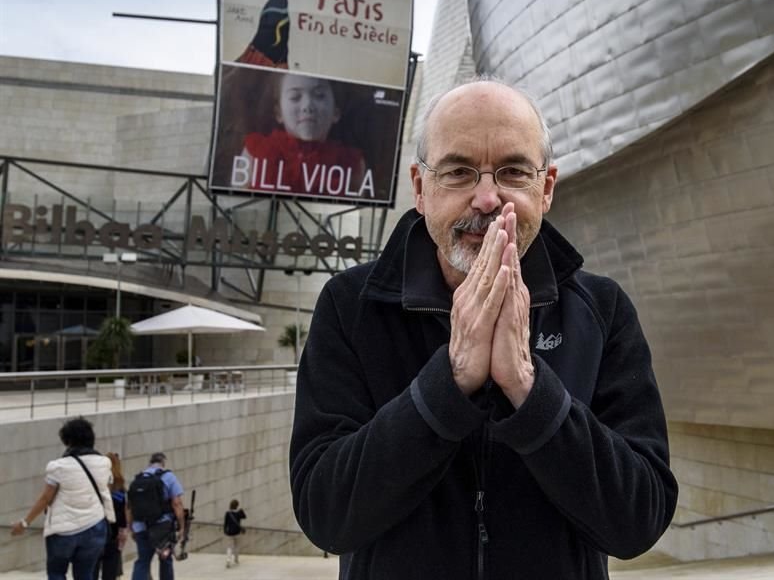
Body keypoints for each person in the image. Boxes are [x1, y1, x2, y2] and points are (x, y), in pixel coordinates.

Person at [289, 79, 678, 578]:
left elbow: (638, 521)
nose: (488, 198)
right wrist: (448, 384)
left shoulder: (601, 311)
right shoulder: (351, 307)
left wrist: (528, 385)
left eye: (514, 171)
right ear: (420, 188)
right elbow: (326, 514)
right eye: (458, 171)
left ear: (548, 187)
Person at [10, 416, 115, 580]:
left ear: (67, 441)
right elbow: (105, 491)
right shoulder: (105, 463)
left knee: (57, 573)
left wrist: (25, 522)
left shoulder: (58, 466)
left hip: (63, 531)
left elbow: (46, 498)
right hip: (95, 527)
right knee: (86, 574)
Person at [234, 73, 367, 197]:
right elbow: (235, 197)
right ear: (279, 113)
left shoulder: (352, 163)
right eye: (295, 97)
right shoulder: (255, 152)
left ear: (336, 113)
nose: (307, 106)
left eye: (319, 95)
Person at [128, 453, 185, 580]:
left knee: (143, 561)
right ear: (163, 463)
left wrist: (130, 527)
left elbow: (130, 507)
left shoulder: (138, 479)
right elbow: (177, 503)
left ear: (150, 463)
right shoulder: (169, 476)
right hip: (162, 528)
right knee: (165, 560)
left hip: (140, 527)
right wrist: (181, 526)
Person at [94, 452, 127, 580]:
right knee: (110, 572)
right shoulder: (119, 488)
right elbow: (121, 514)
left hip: (95, 532)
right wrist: (123, 532)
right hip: (113, 534)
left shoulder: (96, 484)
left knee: (92, 571)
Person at [222, 499, 247, 568]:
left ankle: (228, 560)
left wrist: (225, 531)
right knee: (236, 546)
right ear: (237, 506)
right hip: (237, 532)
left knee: (229, 547)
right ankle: (236, 559)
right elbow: (245, 517)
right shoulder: (238, 513)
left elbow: (225, 523)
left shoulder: (227, 513)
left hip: (229, 532)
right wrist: (242, 511)